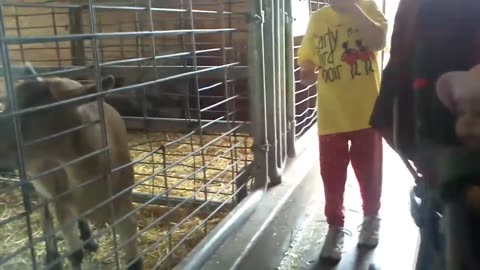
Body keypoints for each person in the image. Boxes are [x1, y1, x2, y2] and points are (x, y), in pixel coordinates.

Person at [297, 0, 388, 261]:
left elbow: (379, 40)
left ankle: (371, 217)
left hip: (365, 112)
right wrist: (306, 71)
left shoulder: (369, 7)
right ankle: (335, 226)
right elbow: (307, 57)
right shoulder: (318, 19)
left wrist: (354, 9)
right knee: (331, 173)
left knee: (370, 170)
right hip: (331, 114)